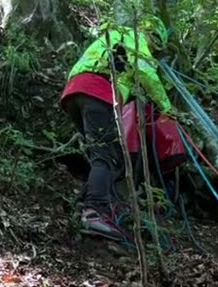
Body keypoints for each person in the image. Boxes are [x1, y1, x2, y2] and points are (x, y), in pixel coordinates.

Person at [60, 20, 174, 242]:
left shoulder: (113, 37)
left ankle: (85, 207)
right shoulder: (134, 38)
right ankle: (94, 212)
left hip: (75, 92)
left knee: (104, 155)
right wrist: (168, 109)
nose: (153, 51)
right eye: (155, 46)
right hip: (98, 91)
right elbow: (145, 71)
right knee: (107, 157)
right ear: (152, 35)